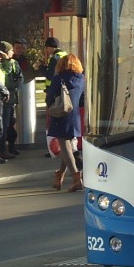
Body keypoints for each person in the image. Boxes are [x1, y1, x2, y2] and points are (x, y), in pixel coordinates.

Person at [46, 51, 85, 192]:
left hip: (60, 114)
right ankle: (60, 175)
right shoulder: (81, 79)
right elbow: (82, 100)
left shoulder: (58, 78)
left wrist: (50, 106)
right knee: (67, 146)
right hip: (74, 116)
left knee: (65, 147)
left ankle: (76, 179)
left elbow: (50, 97)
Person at [0, 40, 22, 157]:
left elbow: (20, 78)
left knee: (10, 124)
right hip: (5, 100)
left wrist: (16, 84)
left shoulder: (13, 63)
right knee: (3, 125)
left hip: (11, 99)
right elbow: (5, 83)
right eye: (11, 50)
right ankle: (2, 150)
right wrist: (14, 85)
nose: (13, 52)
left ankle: (10, 146)